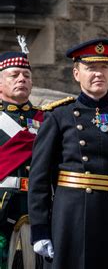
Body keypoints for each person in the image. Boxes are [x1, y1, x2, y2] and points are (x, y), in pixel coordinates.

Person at [28, 38, 108, 269]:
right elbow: (39, 178)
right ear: (76, 73)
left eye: (104, 67)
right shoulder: (59, 115)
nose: (99, 73)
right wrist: (40, 229)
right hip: (70, 221)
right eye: (91, 68)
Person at [0, 48, 43, 269]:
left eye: (26, 76)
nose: (21, 79)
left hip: (38, 205)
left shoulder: (45, 119)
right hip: (2, 202)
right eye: (14, 75)